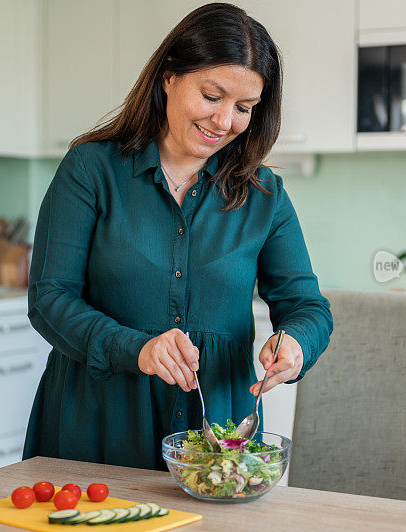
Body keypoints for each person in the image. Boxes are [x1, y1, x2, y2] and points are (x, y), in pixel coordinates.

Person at [23, 2, 333, 471]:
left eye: (244, 107)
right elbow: (50, 299)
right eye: (212, 96)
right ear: (169, 76)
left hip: (216, 440)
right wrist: (137, 349)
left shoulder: (264, 194)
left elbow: (307, 307)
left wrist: (295, 345)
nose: (225, 121)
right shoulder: (91, 170)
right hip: (97, 425)